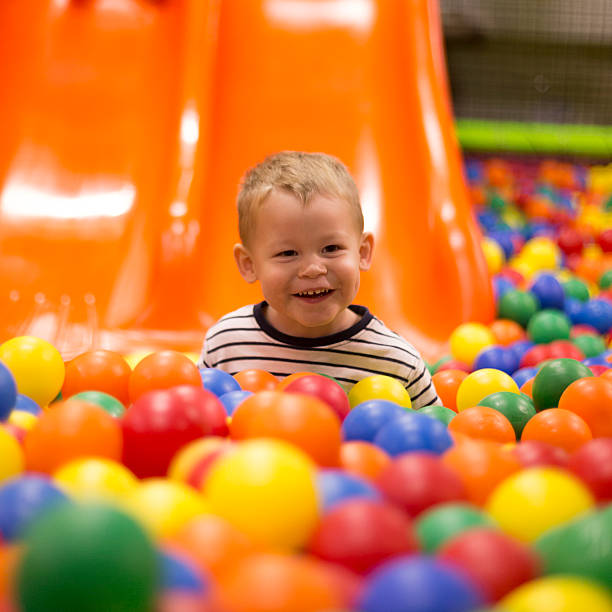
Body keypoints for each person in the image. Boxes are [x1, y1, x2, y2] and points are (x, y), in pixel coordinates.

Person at [198, 151, 440, 409]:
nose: (313, 269)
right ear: (249, 265)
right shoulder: (227, 344)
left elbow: (438, 436)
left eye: (331, 248)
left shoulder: (395, 363)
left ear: (362, 252)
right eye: (287, 253)